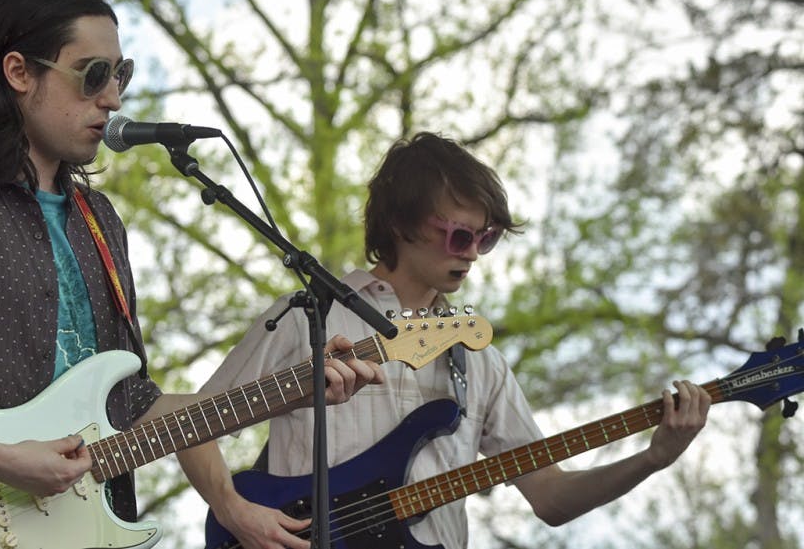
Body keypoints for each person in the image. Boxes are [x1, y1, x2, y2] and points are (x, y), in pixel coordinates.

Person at [0, 0, 381, 548]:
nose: (113, 97)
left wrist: (291, 394)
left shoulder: (98, 223)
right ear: (19, 72)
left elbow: (131, 407)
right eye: (93, 74)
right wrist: (1, 459)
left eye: (120, 74)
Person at [199, 132, 712, 549]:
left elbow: (551, 498)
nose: (472, 254)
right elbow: (189, 423)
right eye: (459, 236)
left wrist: (653, 458)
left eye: (484, 239)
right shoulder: (308, 317)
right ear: (399, 223)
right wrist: (232, 509)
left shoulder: (478, 360)